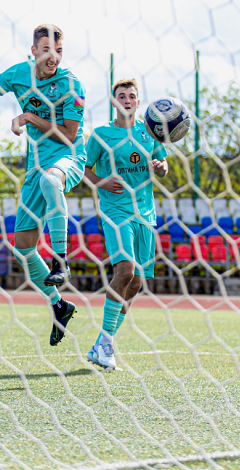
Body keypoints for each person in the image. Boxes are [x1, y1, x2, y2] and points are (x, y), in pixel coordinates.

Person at [0, 24, 79, 346]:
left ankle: (61, 262)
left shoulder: (71, 83)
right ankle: (58, 304)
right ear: (33, 51)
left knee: (52, 181)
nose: (54, 58)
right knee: (23, 247)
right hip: (36, 166)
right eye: (47, 50)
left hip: (69, 157)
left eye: (59, 52)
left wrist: (29, 118)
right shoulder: (18, 74)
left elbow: (70, 135)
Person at [82, 79, 168, 370]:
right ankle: (105, 344)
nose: (127, 100)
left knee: (137, 282)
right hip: (115, 212)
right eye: (122, 96)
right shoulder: (102, 134)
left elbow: (163, 164)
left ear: (138, 102)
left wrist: (161, 167)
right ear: (113, 100)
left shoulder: (149, 132)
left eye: (132, 96)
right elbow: (83, 166)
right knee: (125, 269)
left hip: (145, 214)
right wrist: (100, 182)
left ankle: (102, 343)